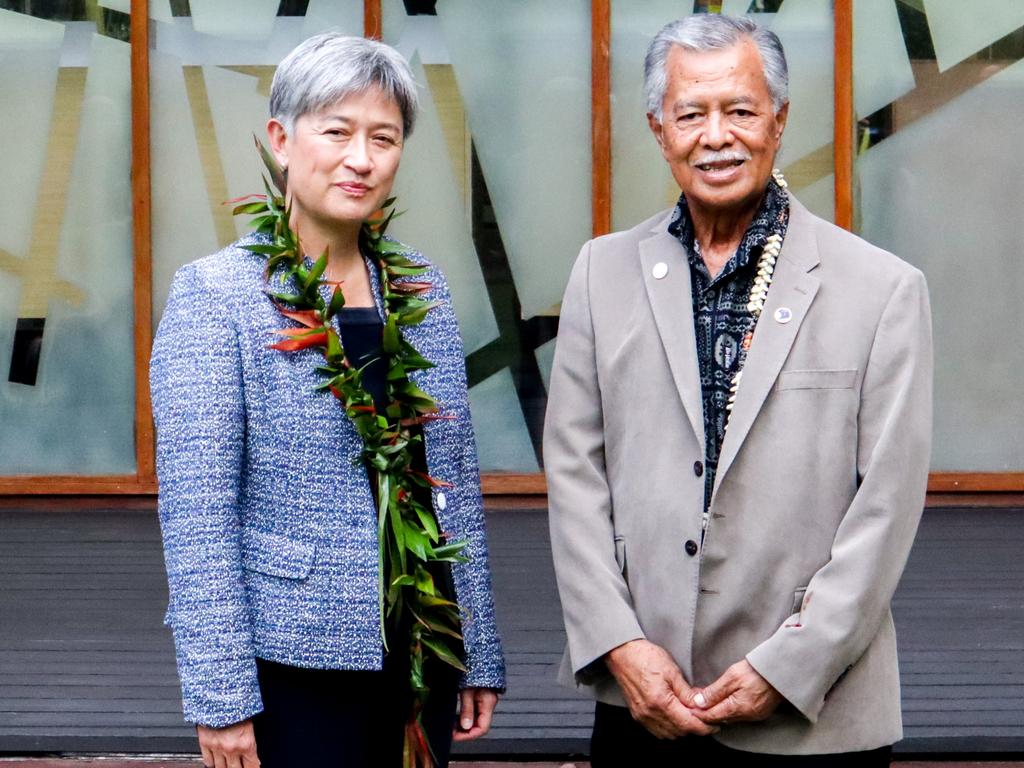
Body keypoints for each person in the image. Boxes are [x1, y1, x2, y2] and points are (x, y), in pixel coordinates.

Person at [544, 14, 931, 766]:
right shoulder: (601, 272)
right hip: (644, 706)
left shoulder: (883, 290)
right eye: (691, 113)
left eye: (741, 111)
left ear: (779, 122)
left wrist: (787, 667)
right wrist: (619, 643)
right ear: (660, 130)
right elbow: (574, 477)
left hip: (815, 717)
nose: (715, 136)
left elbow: (885, 509)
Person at [150, 33, 505, 768]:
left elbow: (453, 484)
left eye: (384, 136)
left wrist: (478, 648)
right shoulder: (216, 297)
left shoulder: (422, 289)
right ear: (281, 139)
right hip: (294, 660)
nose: (361, 158)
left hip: (421, 651)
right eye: (336, 131)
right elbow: (198, 514)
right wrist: (221, 696)